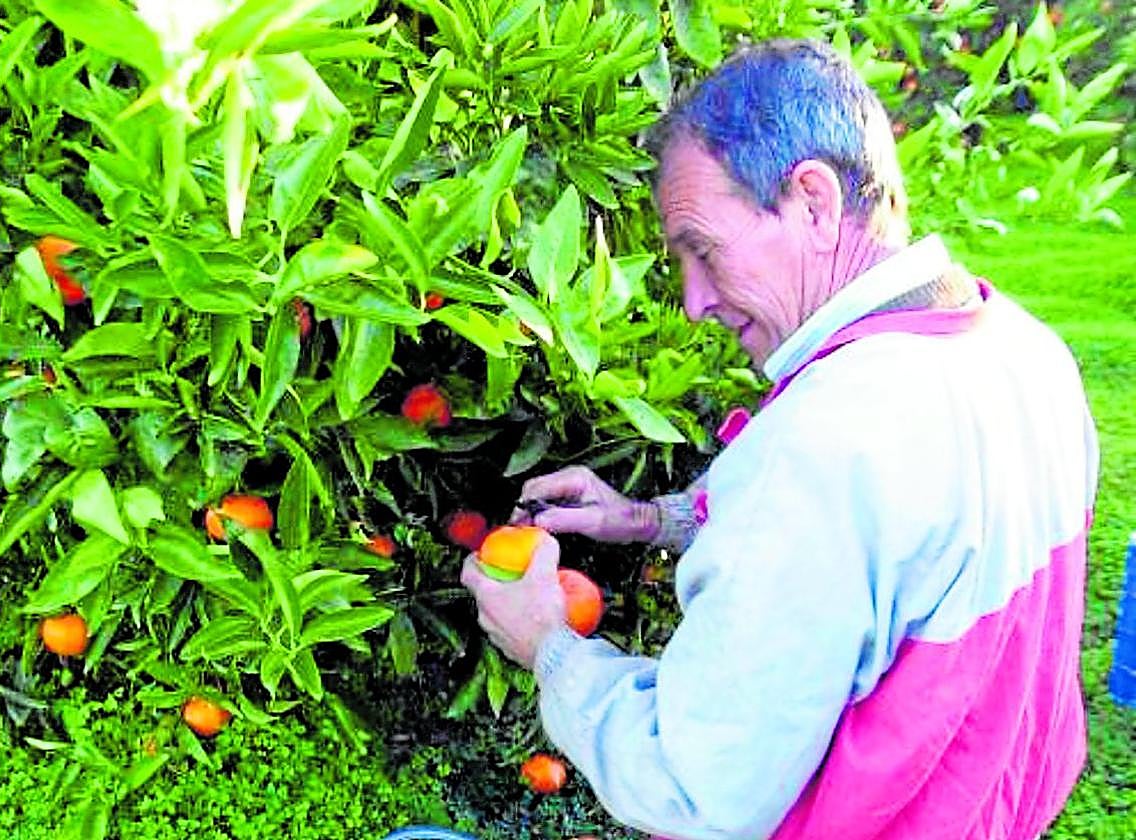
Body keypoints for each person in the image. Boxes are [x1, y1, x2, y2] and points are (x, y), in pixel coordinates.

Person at [460, 38, 1098, 840]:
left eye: (702, 251)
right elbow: (899, 548)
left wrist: (546, 646)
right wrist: (653, 518)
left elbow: (694, 791)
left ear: (815, 202)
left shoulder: (827, 444)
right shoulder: (1021, 348)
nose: (695, 302)